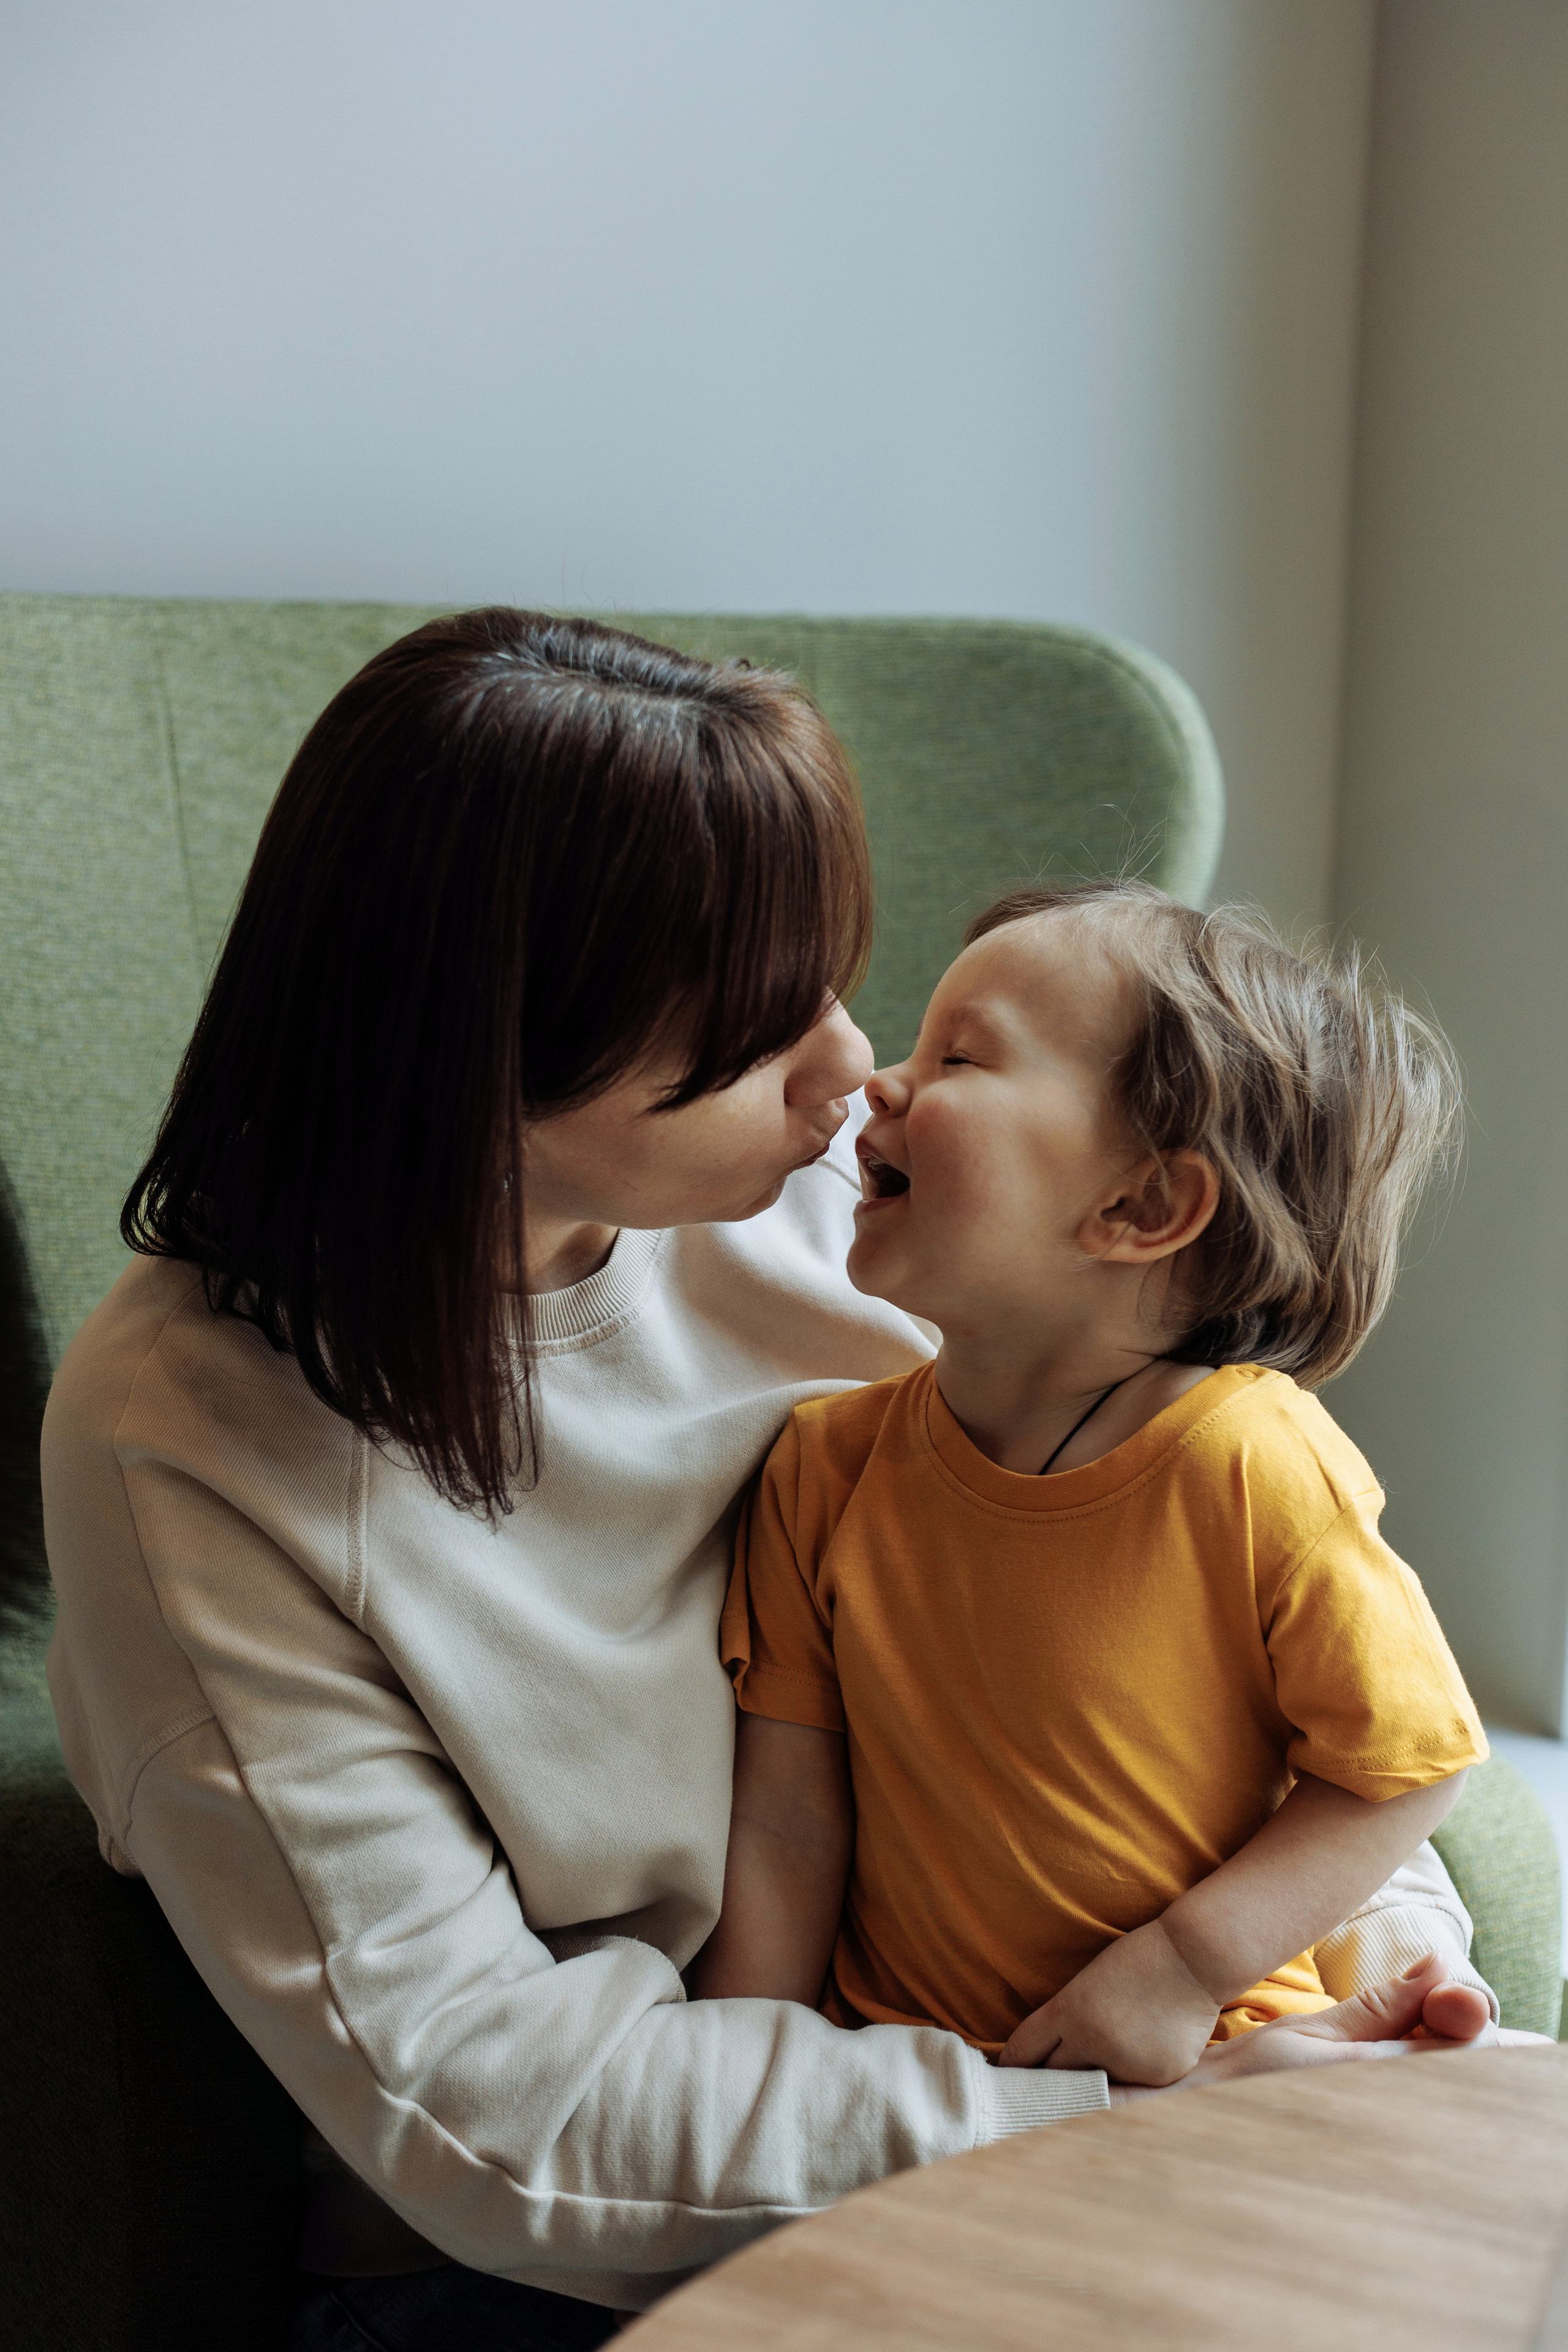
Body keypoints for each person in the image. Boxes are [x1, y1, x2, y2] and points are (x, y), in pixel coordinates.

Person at [40, 616, 1525, 2352]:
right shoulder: (189, 1445)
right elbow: (493, 2113)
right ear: (483, 1043)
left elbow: (1223, 1634)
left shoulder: (847, 1210)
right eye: (756, 1026)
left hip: (1090, 2088)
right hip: (577, 2250)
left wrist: (1368, 1969)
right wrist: (1135, 2118)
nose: (851, 1072)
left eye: (833, 981)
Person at [699, 883, 1491, 2089]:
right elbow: (787, 1830)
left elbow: (1407, 1766)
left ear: (1140, 1206)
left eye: (960, 1057)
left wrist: (1180, 1966)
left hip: (1219, 2063)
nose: (880, 1085)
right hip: (906, 2089)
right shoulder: (822, 1467)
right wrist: (737, 2086)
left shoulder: (1252, 1462)